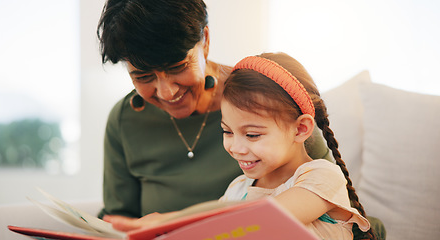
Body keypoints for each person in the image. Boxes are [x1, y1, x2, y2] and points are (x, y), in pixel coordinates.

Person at [96, 0, 332, 220]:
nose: (166, 92)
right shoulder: (123, 120)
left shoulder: (269, 98)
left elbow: (330, 194)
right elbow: (119, 219)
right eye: (144, 76)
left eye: (178, 67)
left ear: (205, 41)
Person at [105, 52, 376, 240]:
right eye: (226, 131)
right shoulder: (239, 190)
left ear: (301, 128)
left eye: (253, 135)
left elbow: (258, 223)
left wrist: (168, 221)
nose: (236, 147)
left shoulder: (321, 177)